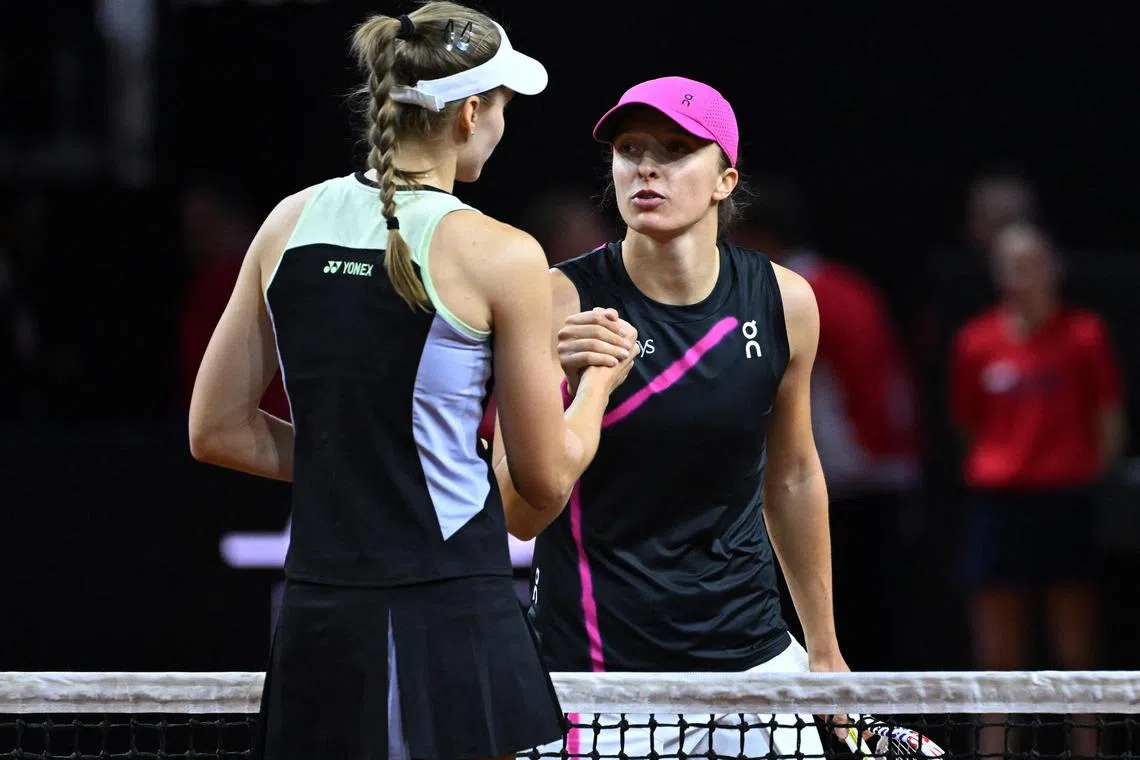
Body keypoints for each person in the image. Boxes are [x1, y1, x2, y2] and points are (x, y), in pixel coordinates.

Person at [188, 5, 634, 760]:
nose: (502, 124)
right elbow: (545, 480)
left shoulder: (288, 222)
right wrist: (596, 382)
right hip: (453, 613)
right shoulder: (502, 254)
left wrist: (356, 466)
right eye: (501, 108)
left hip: (319, 616)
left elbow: (217, 429)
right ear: (468, 114)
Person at [492, 76, 848, 758]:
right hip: (597, 679)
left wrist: (825, 649)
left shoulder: (785, 302)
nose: (646, 166)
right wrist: (572, 392)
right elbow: (518, 515)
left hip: (754, 664)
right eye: (630, 148)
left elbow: (795, 475)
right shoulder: (554, 303)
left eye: (676, 149)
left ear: (724, 180)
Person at [732, 178, 922, 671]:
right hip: (871, 481)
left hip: (843, 488)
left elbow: (864, 390)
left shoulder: (797, 295)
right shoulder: (847, 285)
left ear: (760, 237)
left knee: (849, 632)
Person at [950, 222, 1124, 758]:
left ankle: (1087, 750)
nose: (1022, 274)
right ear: (998, 272)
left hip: (1065, 503)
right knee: (998, 657)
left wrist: (1088, 475)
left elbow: (1108, 419)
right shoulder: (976, 340)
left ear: (1055, 268)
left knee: (1077, 652)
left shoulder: (1086, 334)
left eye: (1033, 262)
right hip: (999, 507)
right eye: (1011, 263)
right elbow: (967, 424)